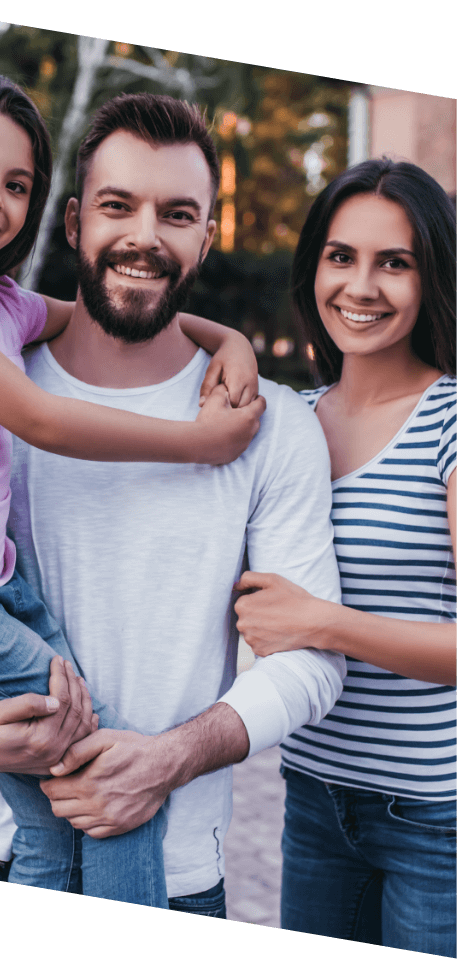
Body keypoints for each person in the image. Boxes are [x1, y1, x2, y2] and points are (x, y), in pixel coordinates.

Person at [0, 91, 346, 917]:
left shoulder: (271, 422)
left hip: (170, 874)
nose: (145, 236)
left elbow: (314, 661)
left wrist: (169, 757)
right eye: (118, 206)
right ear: (73, 221)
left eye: (177, 213)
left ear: (207, 237)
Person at [234, 159, 456, 954]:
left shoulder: (448, 420)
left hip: (435, 817)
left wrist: (321, 623)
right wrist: (221, 337)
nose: (360, 285)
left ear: (432, 278)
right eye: (341, 256)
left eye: (394, 262)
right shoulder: (285, 420)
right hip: (314, 796)